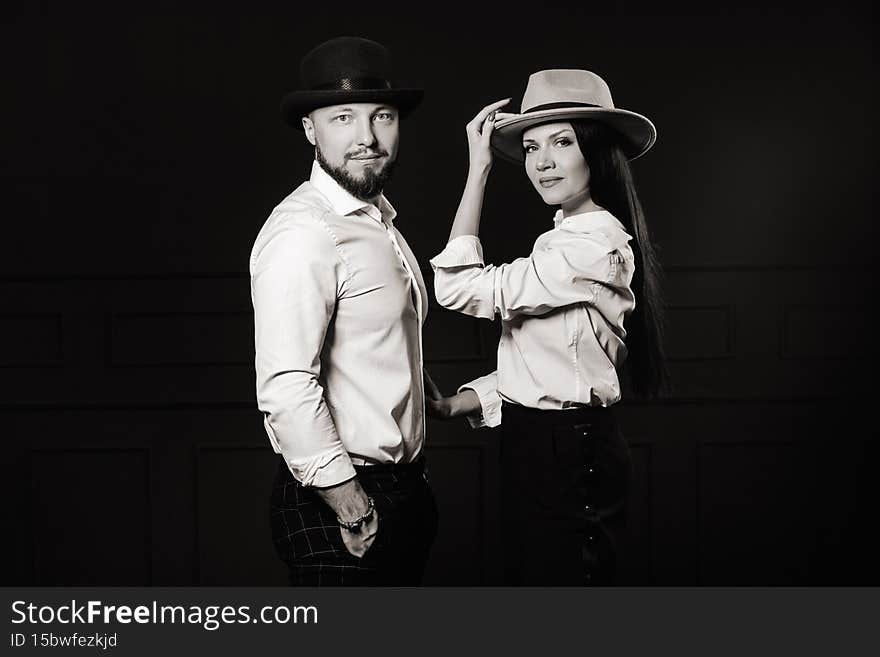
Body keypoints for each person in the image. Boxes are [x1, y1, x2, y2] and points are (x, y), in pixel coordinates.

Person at [428, 69, 668, 585]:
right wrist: (458, 404)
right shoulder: (565, 240)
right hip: (544, 447)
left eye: (562, 142)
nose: (543, 162)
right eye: (533, 147)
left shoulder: (587, 247)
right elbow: (554, 368)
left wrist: (478, 172)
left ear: (597, 151)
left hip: (567, 452)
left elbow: (457, 287)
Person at [250, 36, 439, 586]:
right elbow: (286, 383)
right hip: (340, 503)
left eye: (381, 116)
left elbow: (374, 347)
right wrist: (349, 502)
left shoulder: (376, 220)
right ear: (311, 130)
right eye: (342, 118)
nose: (367, 138)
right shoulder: (305, 231)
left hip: (400, 489)